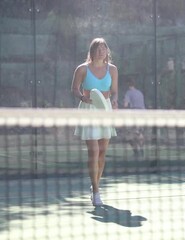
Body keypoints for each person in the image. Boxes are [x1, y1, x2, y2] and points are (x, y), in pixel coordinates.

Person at [71, 38, 118, 206]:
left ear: (107, 51)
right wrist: (83, 97)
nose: (101, 51)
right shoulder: (82, 69)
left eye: (104, 48)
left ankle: (95, 185)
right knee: (94, 150)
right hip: (88, 109)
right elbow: (74, 89)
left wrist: (115, 101)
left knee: (102, 151)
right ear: (92, 51)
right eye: (98, 48)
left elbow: (114, 92)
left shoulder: (112, 69)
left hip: (105, 110)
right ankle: (96, 192)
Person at [123, 78, 146, 156]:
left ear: (127, 85)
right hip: (143, 115)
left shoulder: (128, 93)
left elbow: (125, 105)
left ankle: (136, 151)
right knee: (139, 133)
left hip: (135, 115)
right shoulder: (140, 92)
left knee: (129, 135)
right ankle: (141, 149)